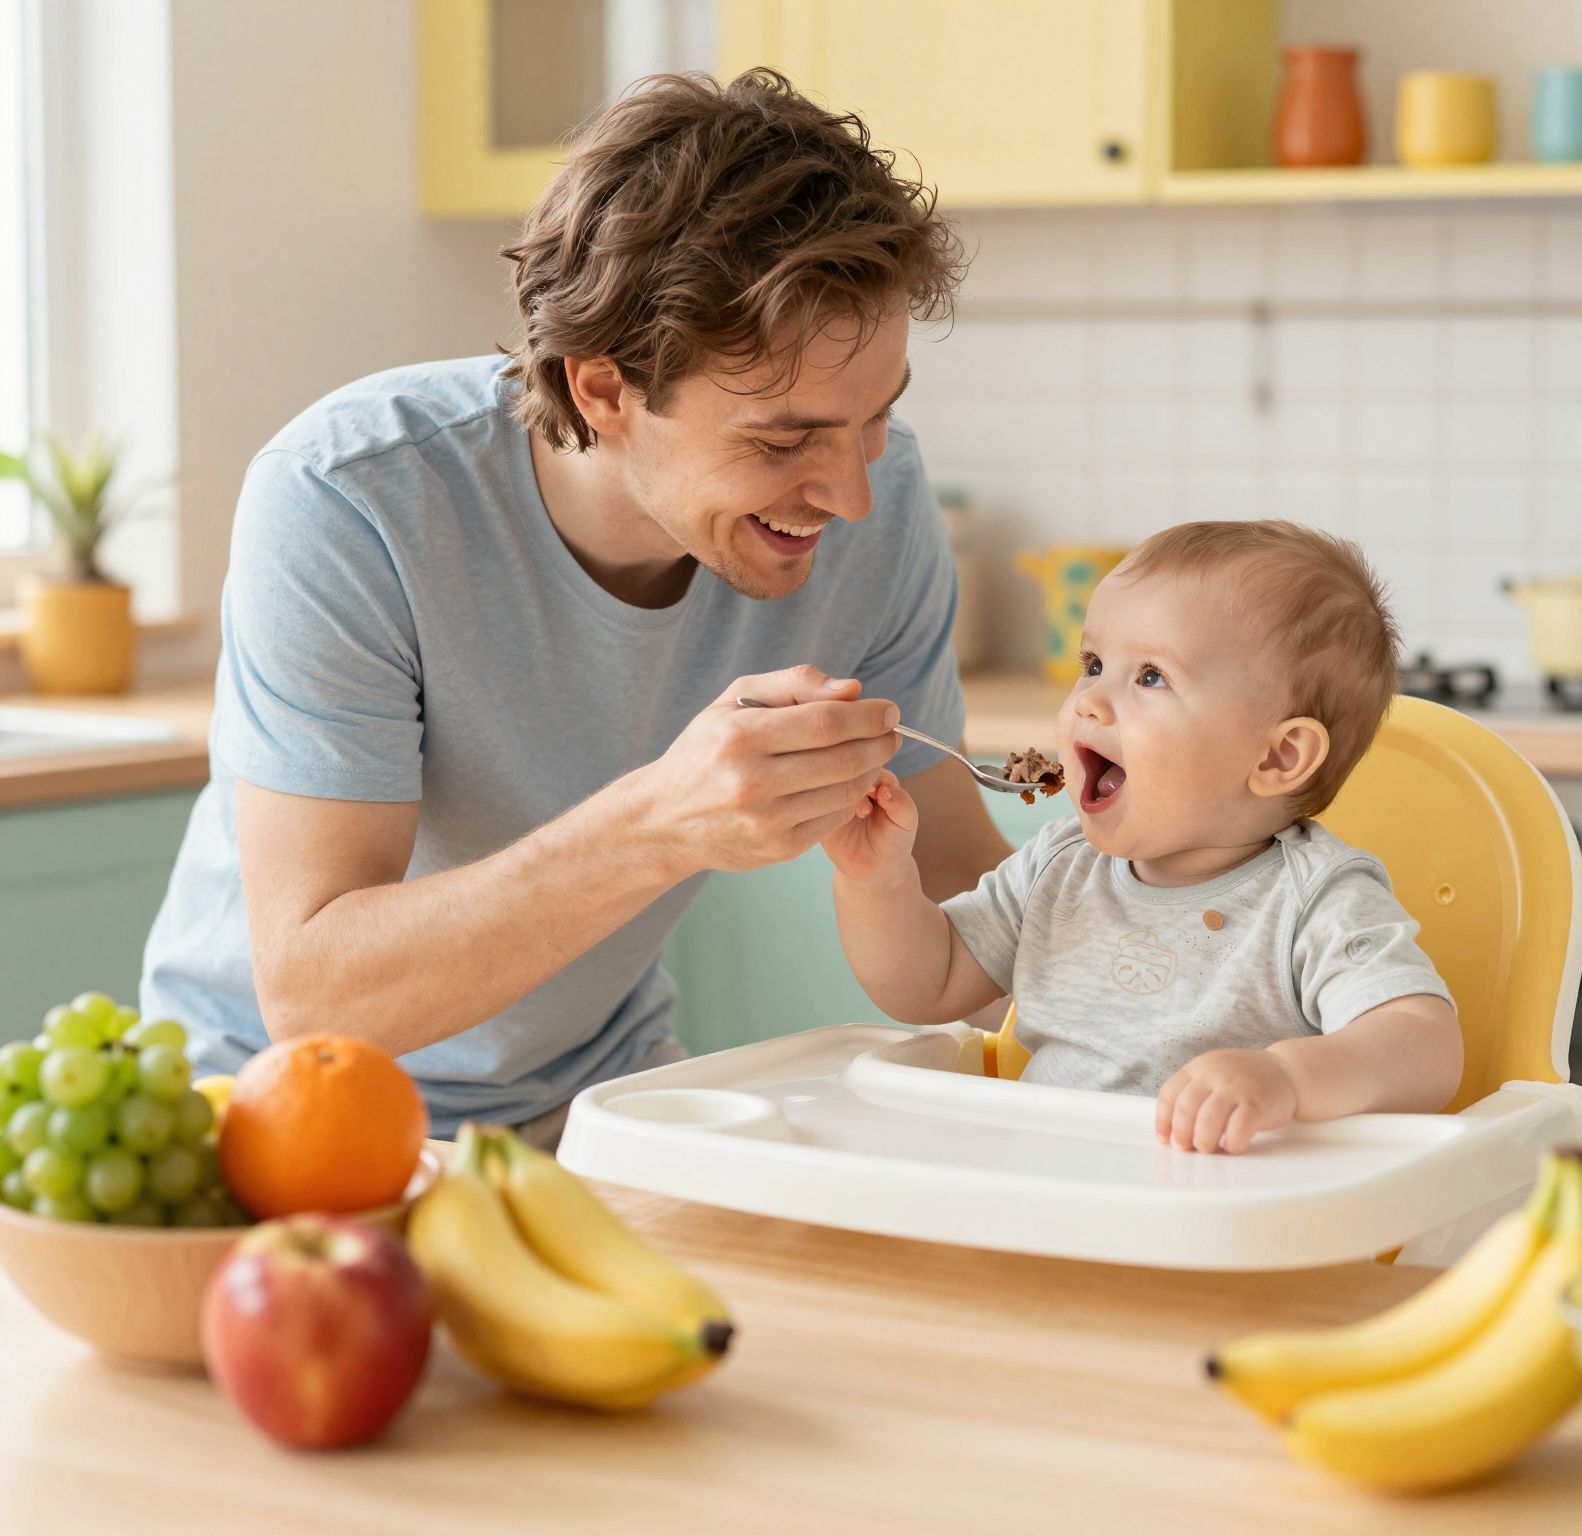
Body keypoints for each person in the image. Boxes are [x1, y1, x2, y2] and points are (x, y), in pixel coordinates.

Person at [141, 72, 1009, 1144]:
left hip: (602, 1105)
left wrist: (1189, 982)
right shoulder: (350, 498)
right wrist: (661, 823)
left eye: (875, 416)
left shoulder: (877, 504)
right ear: (601, 389)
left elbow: (960, 881)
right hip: (276, 1116)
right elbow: (319, 998)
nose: (851, 492)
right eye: (782, 441)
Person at [822, 520, 1463, 1155]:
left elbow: (1424, 1045)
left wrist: (1287, 1079)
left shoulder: (1314, 900)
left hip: (1213, 1216)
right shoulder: (1059, 865)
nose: (1091, 701)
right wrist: (874, 881)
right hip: (1047, 1194)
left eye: (1150, 676)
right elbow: (926, 984)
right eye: (1094, 663)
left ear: (1278, 757)